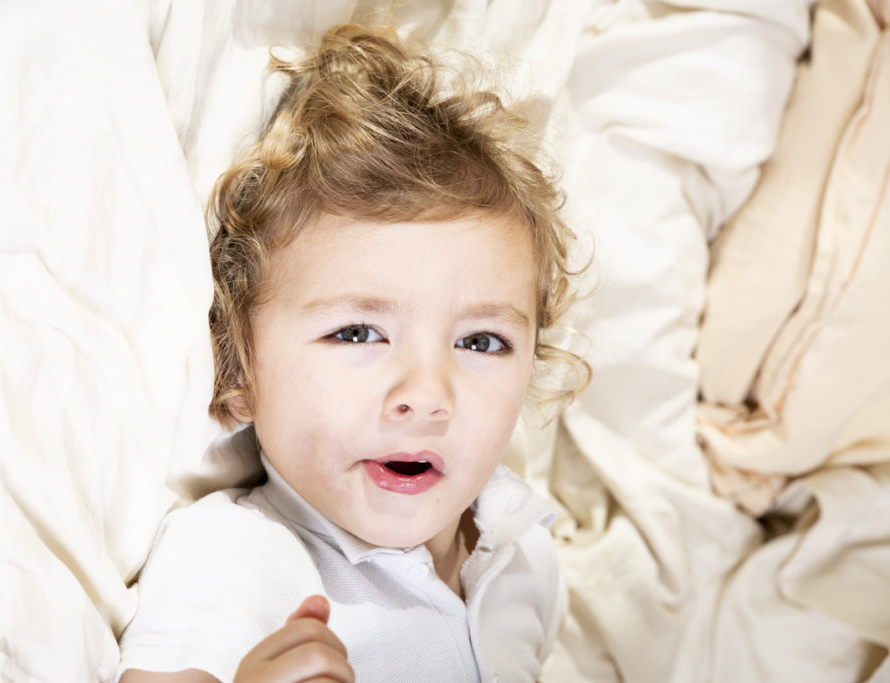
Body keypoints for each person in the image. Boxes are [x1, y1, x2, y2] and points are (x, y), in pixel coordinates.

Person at [117, 23, 586, 683]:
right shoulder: (235, 558)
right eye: (358, 332)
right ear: (240, 369)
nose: (428, 393)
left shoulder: (524, 553)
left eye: (481, 341)